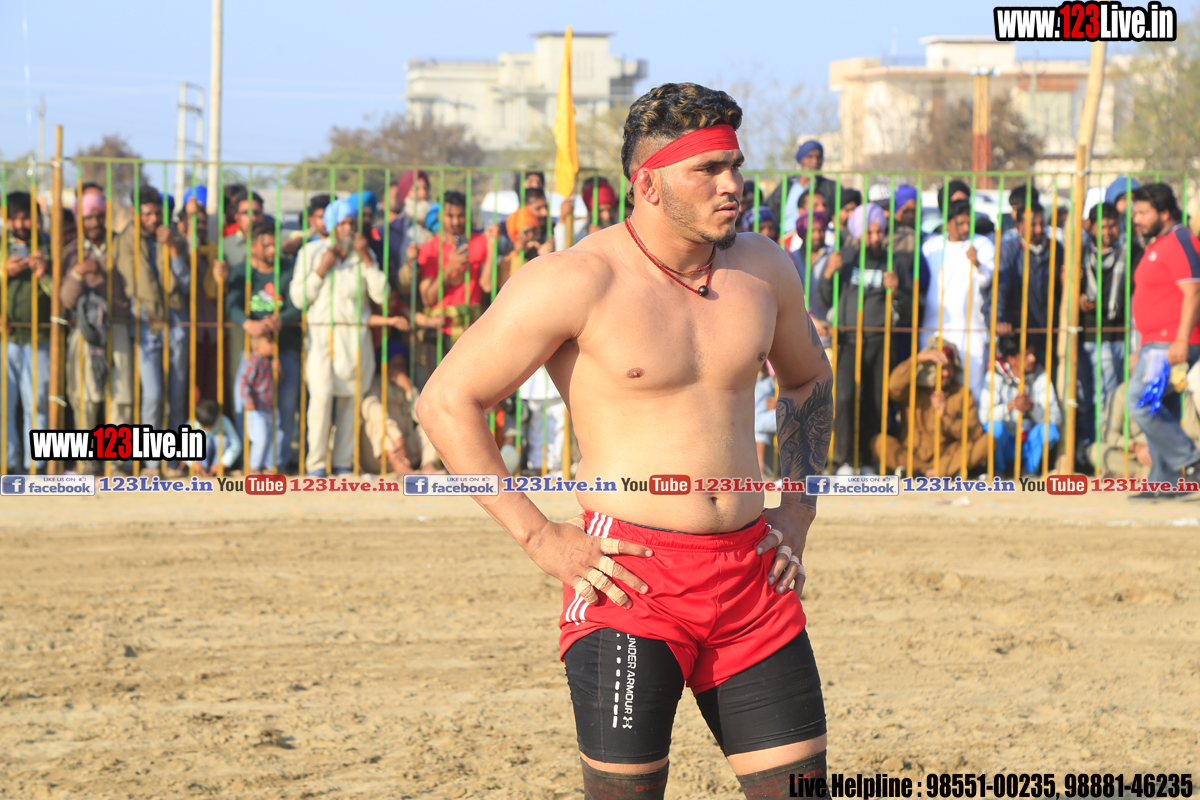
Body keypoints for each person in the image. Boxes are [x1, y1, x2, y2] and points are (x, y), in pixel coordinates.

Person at [418, 82, 833, 800]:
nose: (732, 185)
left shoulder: (763, 268)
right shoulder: (578, 279)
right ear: (648, 184)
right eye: (708, 170)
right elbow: (446, 402)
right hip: (631, 580)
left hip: (752, 578)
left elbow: (806, 380)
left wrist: (797, 509)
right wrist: (539, 537)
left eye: (734, 166)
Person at [289, 199, 392, 477]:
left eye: (351, 223)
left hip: (356, 340)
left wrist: (368, 259)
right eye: (342, 223)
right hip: (322, 339)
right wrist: (321, 269)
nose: (348, 228)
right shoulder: (311, 252)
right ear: (332, 226)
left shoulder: (364, 254)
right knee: (320, 403)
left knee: (351, 402)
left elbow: (382, 296)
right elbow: (298, 299)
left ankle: (343, 462)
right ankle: (316, 464)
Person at [818, 203, 914, 475]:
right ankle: (844, 461)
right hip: (847, 339)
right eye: (869, 233)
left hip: (881, 341)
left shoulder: (893, 262)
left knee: (876, 400)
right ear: (859, 234)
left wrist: (897, 292)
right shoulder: (845, 259)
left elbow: (909, 309)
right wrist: (828, 273)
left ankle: (870, 459)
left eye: (879, 232)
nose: (875, 237)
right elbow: (825, 298)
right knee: (845, 398)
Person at [1126, 183, 1200, 500]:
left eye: (1143, 213)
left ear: (1165, 212)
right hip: (1154, 344)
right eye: (1136, 213)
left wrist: (1182, 339)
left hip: (1170, 343)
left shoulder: (1180, 240)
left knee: (1142, 402)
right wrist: (1140, 346)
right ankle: (1163, 482)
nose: (1137, 219)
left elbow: (1193, 291)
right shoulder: (1159, 243)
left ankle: (1192, 460)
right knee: (1159, 406)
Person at [113, 185, 191, 476]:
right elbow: (132, 282)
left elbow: (186, 283)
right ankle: (151, 463)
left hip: (176, 320)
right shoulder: (124, 241)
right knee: (153, 395)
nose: (154, 218)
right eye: (147, 214)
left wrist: (173, 249)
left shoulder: (174, 238)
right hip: (145, 322)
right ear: (135, 213)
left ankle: (174, 461)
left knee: (177, 395)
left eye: (157, 213)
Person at [61, 190, 134, 472]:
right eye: (88, 217)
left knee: (121, 397)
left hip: (118, 327)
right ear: (80, 220)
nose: (94, 222)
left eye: (99, 215)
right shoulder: (71, 252)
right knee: (85, 398)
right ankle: (87, 463)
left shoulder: (121, 245)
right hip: (86, 330)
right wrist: (78, 272)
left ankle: (117, 463)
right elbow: (65, 300)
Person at [225, 222, 302, 472]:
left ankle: (276, 464)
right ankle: (249, 462)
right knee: (245, 405)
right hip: (253, 352)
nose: (272, 250)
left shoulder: (288, 270)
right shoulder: (241, 272)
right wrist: (247, 323)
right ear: (253, 247)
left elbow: (298, 305)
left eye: (274, 244)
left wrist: (282, 319)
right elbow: (231, 305)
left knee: (285, 409)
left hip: (285, 348)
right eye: (266, 245)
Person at [1076, 202, 1141, 458]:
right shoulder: (1080, 253)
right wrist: (1080, 299)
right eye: (1102, 226)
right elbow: (1068, 287)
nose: (1108, 231)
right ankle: (1098, 447)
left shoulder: (1130, 251)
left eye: (1113, 225)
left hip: (1121, 334)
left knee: (1118, 394)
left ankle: (1111, 446)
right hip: (1091, 335)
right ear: (1091, 228)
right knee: (1098, 396)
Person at [919, 199, 995, 403]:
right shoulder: (931, 246)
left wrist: (977, 263)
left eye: (969, 223)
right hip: (933, 329)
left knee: (970, 390)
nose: (966, 228)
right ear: (948, 223)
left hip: (971, 331)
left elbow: (988, 280)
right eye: (960, 223)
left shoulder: (982, 244)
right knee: (933, 386)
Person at [873, 342, 987, 477]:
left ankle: (923, 473)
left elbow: (975, 434)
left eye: (949, 367)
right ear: (929, 367)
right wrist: (917, 359)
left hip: (946, 456)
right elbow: (893, 388)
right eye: (941, 368)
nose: (946, 373)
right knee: (879, 442)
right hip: (911, 454)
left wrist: (947, 417)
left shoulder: (961, 393)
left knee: (988, 442)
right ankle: (935, 472)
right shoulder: (912, 388)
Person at [4, 191, 52, 472]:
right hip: (6, 337)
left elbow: (61, 296)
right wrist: (3, 272)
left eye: (27, 218)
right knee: (5, 404)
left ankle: (37, 464)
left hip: (40, 338)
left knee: (38, 404)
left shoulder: (48, 246)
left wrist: (43, 273)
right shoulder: (1, 247)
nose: (21, 224)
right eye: (16, 218)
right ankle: (9, 462)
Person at [985, 202, 1063, 366]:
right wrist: (998, 319)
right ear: (1019, 227)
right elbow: (1000, 288)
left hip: (1050, 334)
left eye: (1041, 224)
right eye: (1033, 225)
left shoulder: (1056, 249)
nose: (1039, 229)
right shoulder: (1008, 250)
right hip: (1018, 336)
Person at [417, 190, 494, 342]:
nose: (456, 222)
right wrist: (448, 269)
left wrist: (492, 246)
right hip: (439, 332)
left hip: (471, 331)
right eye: (450, 216)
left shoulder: (481, 242)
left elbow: (487, 286)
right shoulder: (429, 249)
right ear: (440, 216)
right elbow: (427, 299)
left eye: (460, 216)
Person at [983, 336, 1062, 476]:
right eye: (1026, 355)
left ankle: (1029, 471)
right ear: (1011, 359)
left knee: (1050, 431)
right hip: (1005, 444)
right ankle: (998, 472)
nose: (1033, 358)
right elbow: (984, 417)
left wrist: (1031, 408)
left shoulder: (1041, 375)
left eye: (1032, 353)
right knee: (993, 428)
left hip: (1028, 446)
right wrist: (1010, 406)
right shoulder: (995, 375)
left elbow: (1056, 418)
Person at [359, 344, 440, 475]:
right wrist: (397, 436)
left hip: (407, 451)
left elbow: (422, 416)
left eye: (402, 364)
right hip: (380, 456)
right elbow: (371, 409)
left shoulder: (407, 384)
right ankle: (398, 465)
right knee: (374, 425)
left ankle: (428, 466)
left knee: (428, 427)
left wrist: (409, 389)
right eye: (394, 363)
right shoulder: (375, 383)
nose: (399, 368)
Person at [773, 139, 836, 236]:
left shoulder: (829, 187)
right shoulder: (787, 185)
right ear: (801, 160)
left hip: (816, 237)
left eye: (819, 157)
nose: (815, 161)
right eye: (810, 157)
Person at [236, 331, 277, 473]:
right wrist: (247, 400)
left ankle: (265, 466)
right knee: (261, 438)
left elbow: (275, 383)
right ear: (256, 347)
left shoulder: (268, 362)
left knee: (269, 438)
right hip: (256, 409)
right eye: (269, 342)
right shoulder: (253, 361)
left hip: (267, 408)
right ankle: (253, 467)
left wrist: (277, 371)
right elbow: (244, 382)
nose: (273, 345)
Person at [187, 397, 241, 477]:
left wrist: (223, 463)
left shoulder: (224, 421)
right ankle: (202, 469)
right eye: (204, 426)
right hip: (200, 461)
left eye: (210, 425)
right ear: (198, 420)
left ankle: (218, 469)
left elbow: (236, 444)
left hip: (220, 460)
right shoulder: (191, 423)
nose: (208, 429)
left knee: (221, 439)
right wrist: (193, 463)